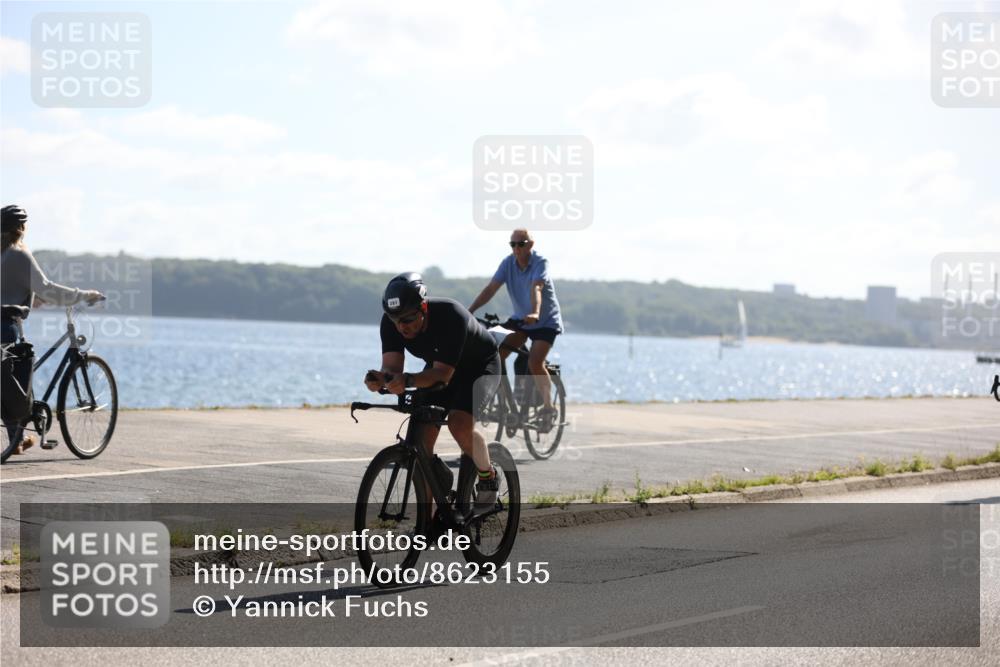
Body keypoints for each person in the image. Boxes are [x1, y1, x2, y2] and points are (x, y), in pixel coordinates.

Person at [365, 273, 501, 511]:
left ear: (423, 307)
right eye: (394, 319)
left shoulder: (451, 315)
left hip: (479, 367)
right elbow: (392, 367)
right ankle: (425, 522)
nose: (401, 326)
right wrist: (381, 379)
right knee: (421, 438)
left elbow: (443, 376)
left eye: (407, 319)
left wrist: (406, 380)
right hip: (440, 367)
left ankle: (488, 476)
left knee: (460, 424)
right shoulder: (392, 323)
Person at [1, 204, 104, 454]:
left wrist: (33, 298)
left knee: (8, 380)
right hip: (6, 326)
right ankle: (17, 437)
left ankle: (16, 438)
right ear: (22, 228)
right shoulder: (19, 253)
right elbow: (47, 287)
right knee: (15, 378)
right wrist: (83, 295)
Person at [468, 229, 563, 432]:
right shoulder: (508, 263)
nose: (516, 249)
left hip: (545, 321)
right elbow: (491, 288)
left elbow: (536, 288)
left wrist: (536, 312)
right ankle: (506, 403)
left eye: (521, 244)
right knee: (495, 353)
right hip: (521, 320)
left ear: (530, 245)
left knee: (534, 361)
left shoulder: (539, 262)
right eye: (513, 244)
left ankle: (548, 407)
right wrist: (469, 312)